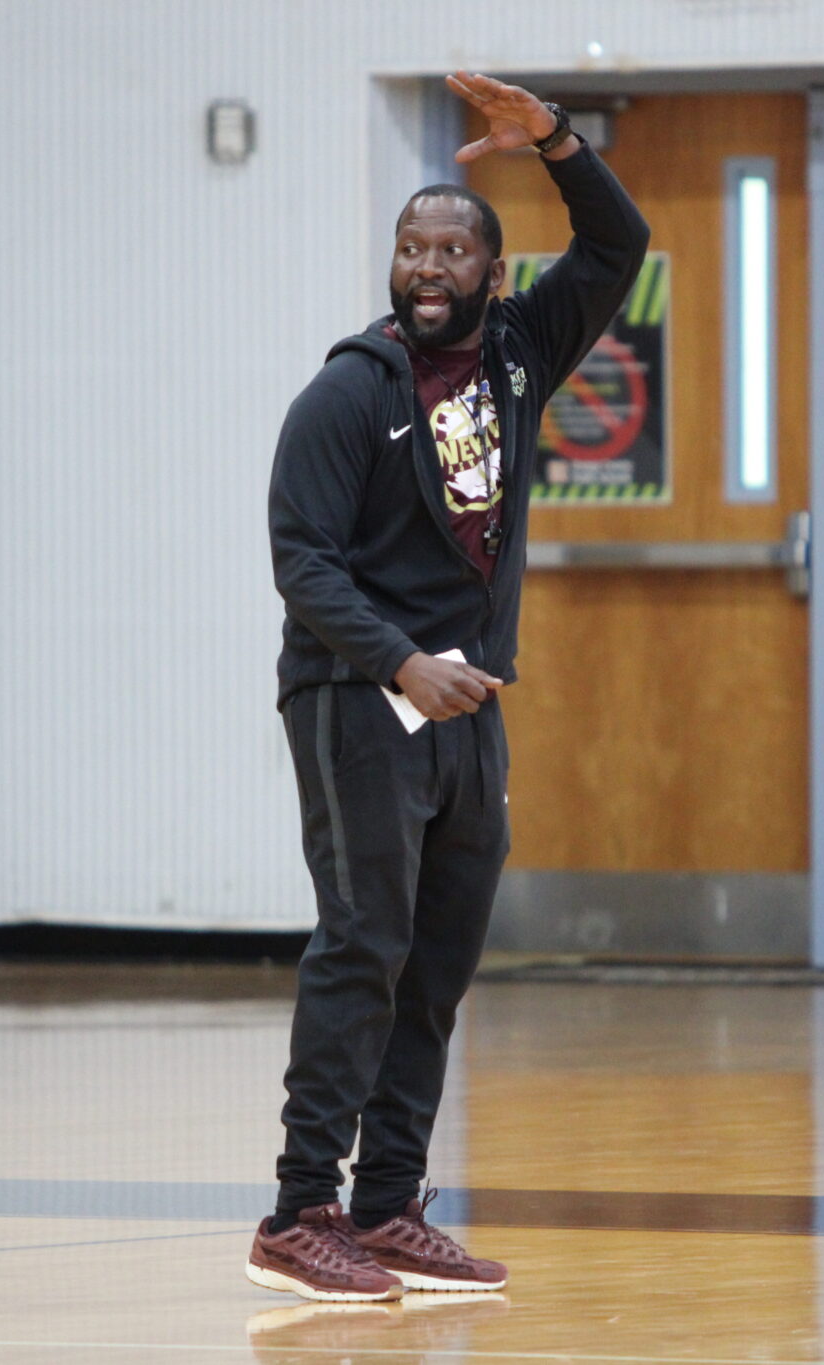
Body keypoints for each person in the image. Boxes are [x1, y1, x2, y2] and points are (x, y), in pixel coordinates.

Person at [250, 71, 649, 1302]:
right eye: (408, 247)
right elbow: (298, 561)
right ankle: (296, 1209)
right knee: (362, 942)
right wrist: (398, 660)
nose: (426, 266)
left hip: (467, 707)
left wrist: (556, 143)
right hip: (354, 694)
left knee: (437, 957)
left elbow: (616, 243)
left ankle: (386, 1209)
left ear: (487, 268)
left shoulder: (522, 351)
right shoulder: (345, 392)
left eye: (450, 249)